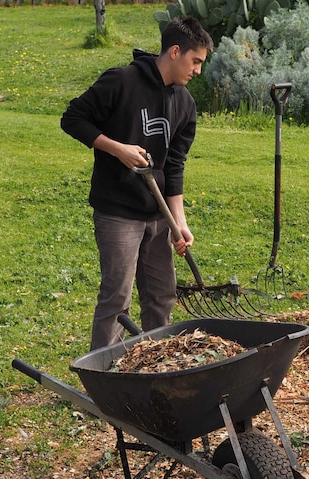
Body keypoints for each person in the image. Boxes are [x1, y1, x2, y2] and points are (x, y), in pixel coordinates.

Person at [60, 17, 213, 350]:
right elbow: (72, 118)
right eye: (196, 61)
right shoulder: (122, 82)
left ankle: (158, 369)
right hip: (118, 213)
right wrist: (118, 149)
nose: (198, 71)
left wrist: (179, 223)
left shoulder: (185, 105)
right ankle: (107, 377)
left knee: (161, 297)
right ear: (175, 51)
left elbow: (174, 166)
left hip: (159, 217)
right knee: (117, 299)